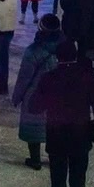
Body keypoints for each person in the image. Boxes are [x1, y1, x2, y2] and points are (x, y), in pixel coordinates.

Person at [29, 39, 94, 187]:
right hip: (80, 135)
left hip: (57, 137)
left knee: (58, 177)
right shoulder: (86, 75)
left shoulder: (49, 78)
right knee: (78, 177)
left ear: (58, 57)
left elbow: (35, 107)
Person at [11, 14, 62, 170]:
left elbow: (24, 77)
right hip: (59, 94)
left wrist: (17, 97)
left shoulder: (33, 51)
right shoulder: (66, 48)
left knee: (34, 125)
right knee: (56, 128)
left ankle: (35, 159)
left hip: (36, 94)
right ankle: (55, 159)